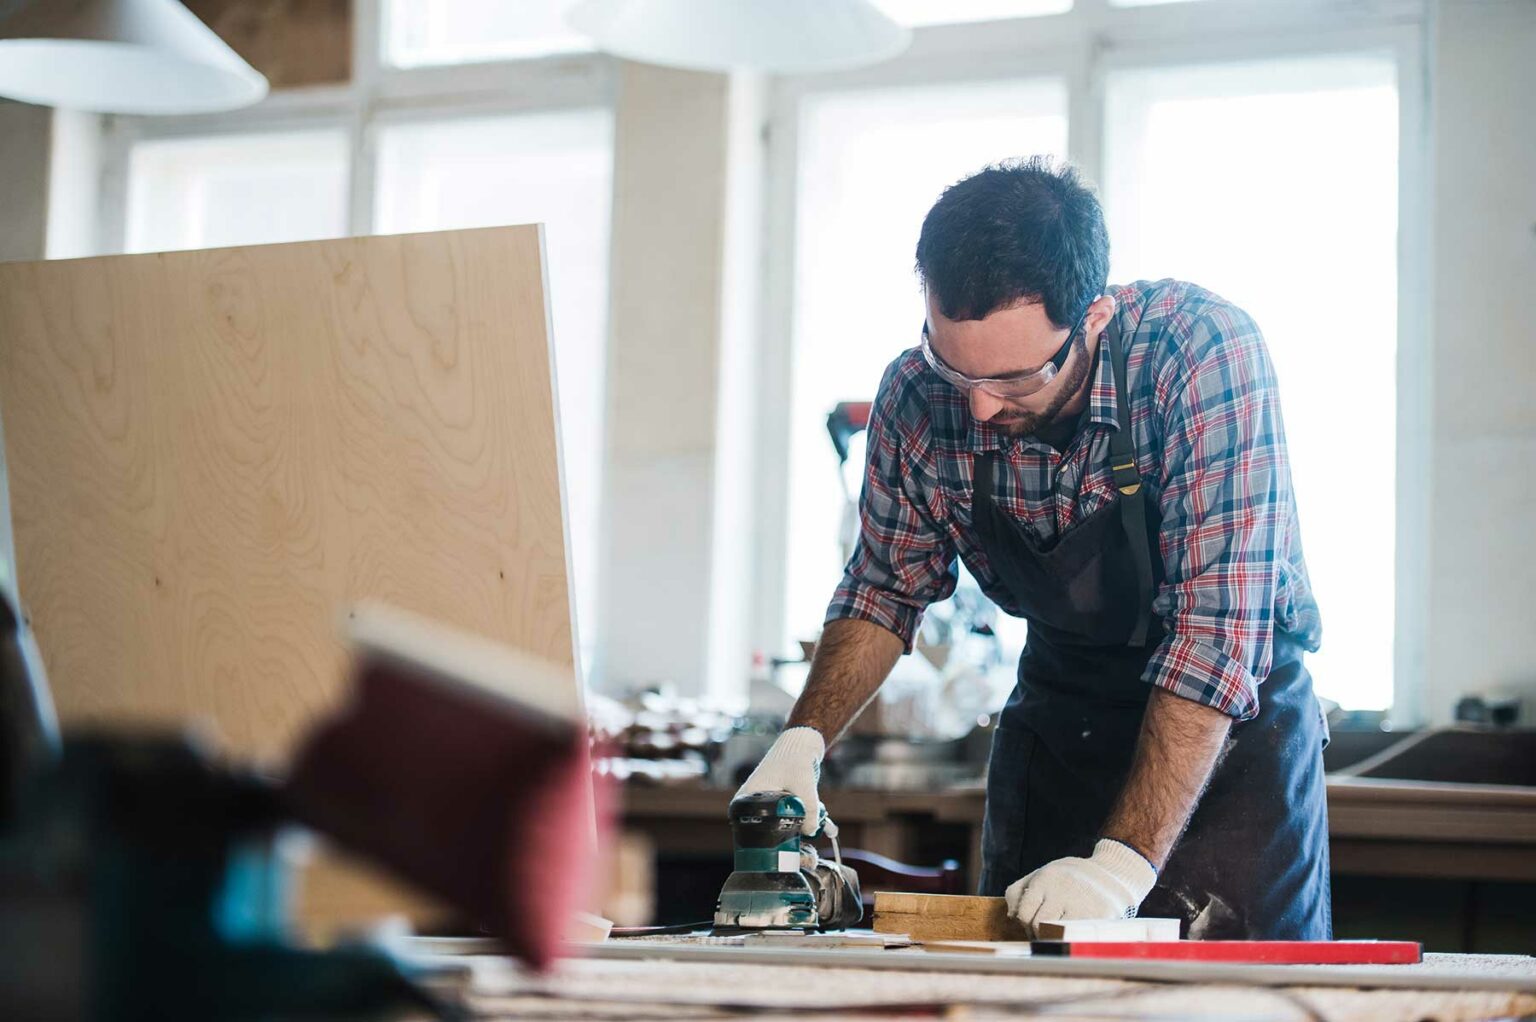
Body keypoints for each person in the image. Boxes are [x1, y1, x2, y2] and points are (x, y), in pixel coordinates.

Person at [737, 156, 1330, 939]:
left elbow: (1215, 636)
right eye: (955, 367)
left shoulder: (1199, 355)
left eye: (1016, 379)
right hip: (1063, 722)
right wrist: (800, 742)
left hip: (1228, 746)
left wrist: (1118, 869)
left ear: (1092, 320)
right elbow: (884, 588)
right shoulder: (918, 394)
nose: (978, 407)